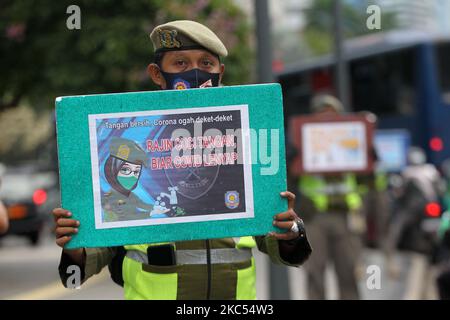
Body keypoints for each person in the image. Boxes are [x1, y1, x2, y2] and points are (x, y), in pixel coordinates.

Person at [54, 20, 312, 300]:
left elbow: (282, 248)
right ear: (156, 73)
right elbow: (86, 263)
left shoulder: (244, 140)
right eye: (180, 63)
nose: (196, 72)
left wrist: (291, 231)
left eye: (206, 63)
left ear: (220, 72)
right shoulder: (130, 141)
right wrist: (75, 248)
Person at [297, 94, 364, 300]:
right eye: (321, 112)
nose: (326, 117)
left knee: (349, 274)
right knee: (315, 275)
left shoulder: (351, 138)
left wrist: (367, 142)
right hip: (315, 217)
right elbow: (291, 176)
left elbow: (368, 176)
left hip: (346, 217)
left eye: (331, 112)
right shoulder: (302, 141)